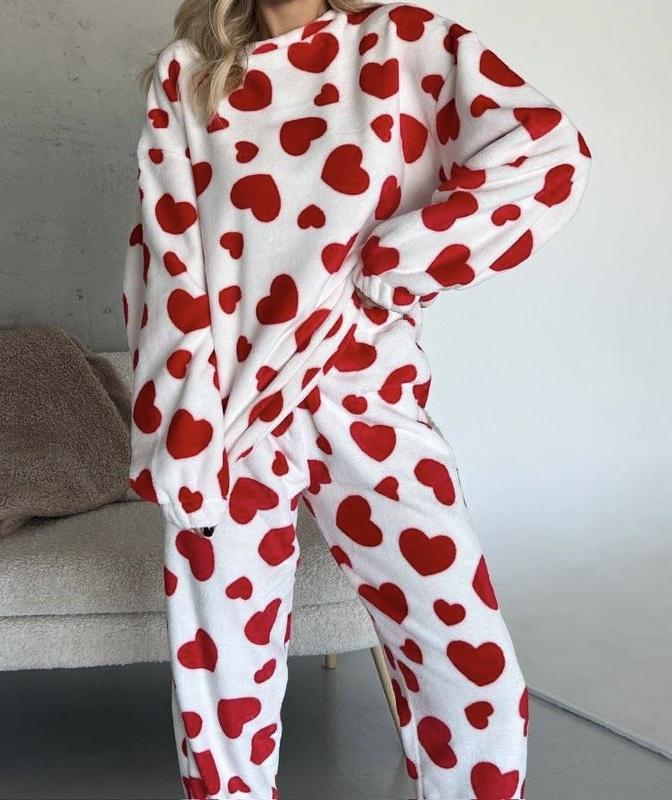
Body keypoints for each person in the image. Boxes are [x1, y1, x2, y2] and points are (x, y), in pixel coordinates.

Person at [121, 1, 591, 797]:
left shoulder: (400, 42)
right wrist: (183, 433)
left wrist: (395, 262)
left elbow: (547, 154)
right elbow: (168, 260)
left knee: (466, 660)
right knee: (222, 688)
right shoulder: (188, 76)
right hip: (231, 422)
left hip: (366, 396)